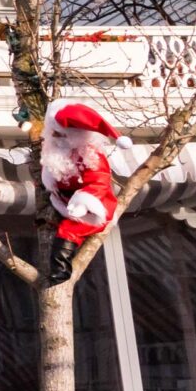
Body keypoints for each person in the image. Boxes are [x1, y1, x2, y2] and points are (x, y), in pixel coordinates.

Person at [42, 97, 133, 283]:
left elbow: (99, 181)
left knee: (69, 230)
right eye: (54, 133)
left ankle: (61, 271)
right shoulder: (54, 150)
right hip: (63, 201)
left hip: (92, 206)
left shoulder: (90, 155)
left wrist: (84, 202)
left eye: (61, 134)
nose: (56, 138)